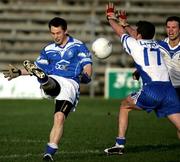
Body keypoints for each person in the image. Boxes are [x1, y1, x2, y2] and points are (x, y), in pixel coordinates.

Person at [2, 17, 93, 161]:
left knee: (59, 117)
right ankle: (44, 80)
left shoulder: (78, 46)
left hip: (70, 83)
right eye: (52, 33)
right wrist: (19, 72)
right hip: (54, 79)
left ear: (65, 31)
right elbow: (37, 67)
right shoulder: (48, 49)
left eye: (58, 33)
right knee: (49, 79)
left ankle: (49, 153)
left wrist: (87, 76)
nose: (55, 36)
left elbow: (87, 66)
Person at [104, 3, 180, 155]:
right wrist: (126, 24)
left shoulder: (135, 44)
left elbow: (121, 33)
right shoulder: (158, 44)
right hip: (170, 91)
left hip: (152, 90)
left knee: (124, 106)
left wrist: (110, 19)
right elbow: (135, 33)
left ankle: (119, 145)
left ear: (139, 35)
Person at [120, 14, 180, 100]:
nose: (170, 31)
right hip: (167, 89)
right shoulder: (159, 46)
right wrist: (139, 71)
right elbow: (139, 36)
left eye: (174, 28)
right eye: (168, 27)